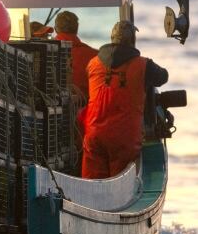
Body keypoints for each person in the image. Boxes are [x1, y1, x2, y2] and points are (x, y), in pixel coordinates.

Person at [81, 21, 168, 179]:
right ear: (132, 40)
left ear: (112, 38)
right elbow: (163, 76)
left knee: (91, 183)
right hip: (124, 138)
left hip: (94, 135)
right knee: (120, 185)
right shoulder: (144, 65)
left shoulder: (93, 64)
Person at [54, 11, 98, 100]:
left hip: (53, 108)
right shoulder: (95, 56)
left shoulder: (45, 54)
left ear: (55, 29)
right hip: (86, 109)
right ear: (77, 28)